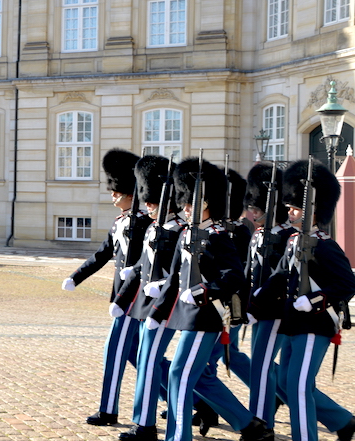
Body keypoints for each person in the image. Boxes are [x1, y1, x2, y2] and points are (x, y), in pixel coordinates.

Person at [152, 157, 267, 441]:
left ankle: (179, 437)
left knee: (180, 373)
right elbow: (175, 278)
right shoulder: (186, 234)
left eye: (189, 203)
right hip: (187, 316)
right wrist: (157, 313)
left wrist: (206, 290)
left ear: (204, 204)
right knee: (182, 373)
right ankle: (245, 426)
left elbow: (235, 277)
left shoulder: (218, 236)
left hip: (208, 316)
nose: (184, 208)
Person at [251, 159, 355, 441]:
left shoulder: (325, 244)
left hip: (316, 323)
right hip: (293, 323)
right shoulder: (295, 240)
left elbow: (347, 284)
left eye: (296, 208)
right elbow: (282, 273)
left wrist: (316, 299)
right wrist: (256, 301)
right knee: (286, 382)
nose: (291, 213)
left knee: (297, 385)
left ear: (311, 211)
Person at [62, 148, 153, 426]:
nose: (112, 194)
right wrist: (76, 277)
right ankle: (197, 399)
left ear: (129, 192)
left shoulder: (144, 222)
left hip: (133, 298)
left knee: (114, 350)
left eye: (117, 190)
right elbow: (102, 254)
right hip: (121, 298)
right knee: (142, 358)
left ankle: (108, 409)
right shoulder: (121, 221)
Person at [114, 154, 185, 441]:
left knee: (149, 358)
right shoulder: (155, 227)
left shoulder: (180, 229)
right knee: (147, 358)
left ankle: (145, 424)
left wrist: (163, 287)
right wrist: (121, 299)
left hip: (169, 305)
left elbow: (181, 272)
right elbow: (142, 264)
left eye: (152, 202)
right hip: (149, 304)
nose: (148, 206)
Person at [242, 162, 294, 436]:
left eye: (257, 207)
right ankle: (341, 420)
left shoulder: (287, 235)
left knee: (261, 367)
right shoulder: (260, 233)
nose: (252, 211)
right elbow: (248, 272)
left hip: (275, 311)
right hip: (257, 311)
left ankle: (262, 425)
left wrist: (259, 299)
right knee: (262, 368)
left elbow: (283, 275)